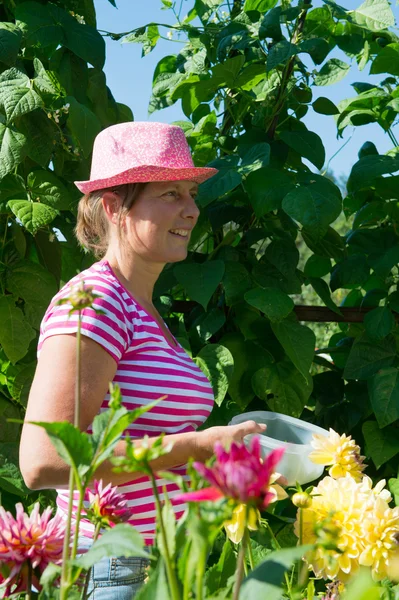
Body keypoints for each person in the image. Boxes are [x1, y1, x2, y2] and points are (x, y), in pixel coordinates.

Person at [19, 121, 266, 599]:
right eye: (170, 194)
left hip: (149, 564)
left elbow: (147, 448)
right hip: (108, 563)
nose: (192, 209)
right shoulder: (97, 301)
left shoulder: (142, 308)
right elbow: (43, 462)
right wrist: (196, 446)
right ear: (114, 207)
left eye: (191, 193)